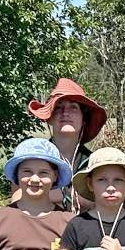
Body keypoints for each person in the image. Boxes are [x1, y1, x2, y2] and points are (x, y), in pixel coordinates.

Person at [29, 77, 107, 211]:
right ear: (49, 118)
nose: (65, 113)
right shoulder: (32, 161)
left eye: (73, 107)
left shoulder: (96, 165)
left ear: (84, 119)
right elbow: (18, 205)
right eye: (58, 107)